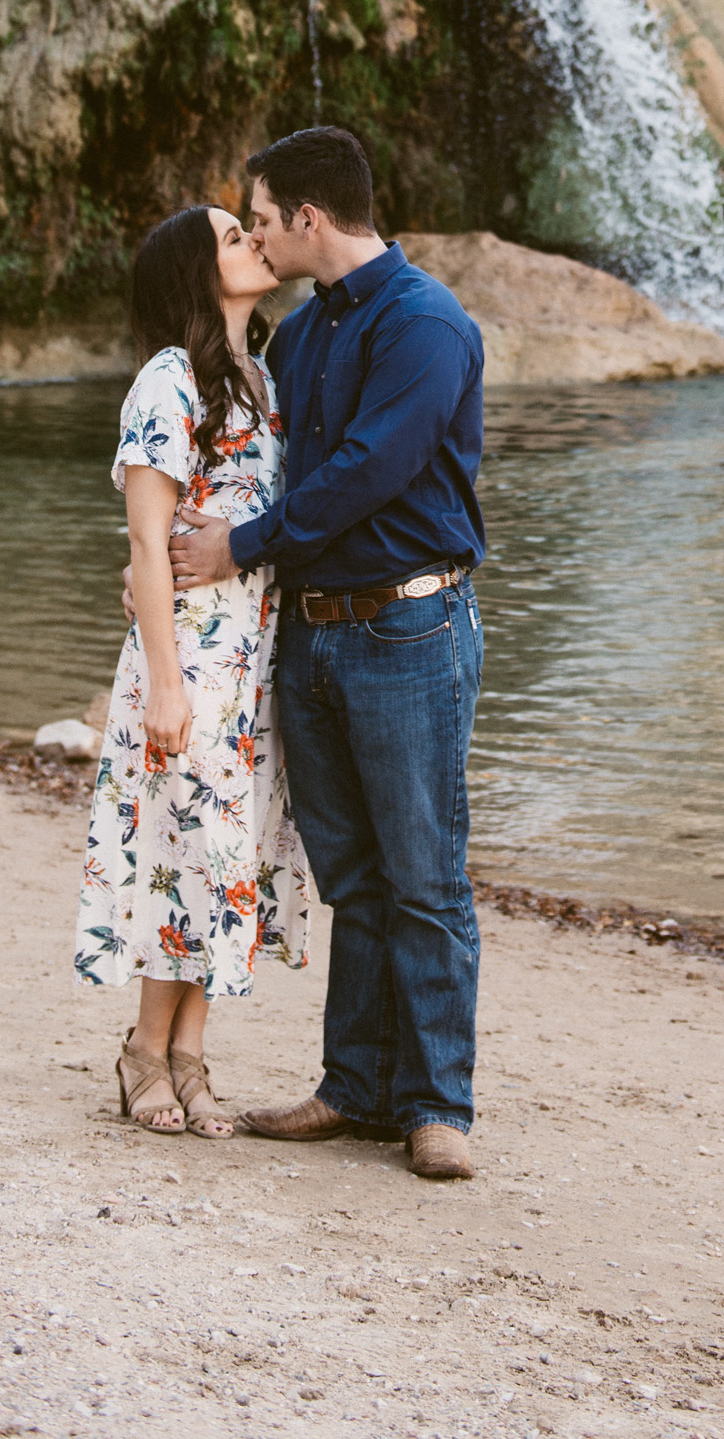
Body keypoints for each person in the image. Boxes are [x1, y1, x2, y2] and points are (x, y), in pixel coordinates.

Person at [169, 125, 487, 1183]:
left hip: (409, 624)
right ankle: (354, 1087)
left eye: (261, 215)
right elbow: (260, 453)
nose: (255, 232)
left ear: (309, 216)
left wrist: (237, 547)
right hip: (311, 631)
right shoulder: (302, 336)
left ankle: (438, 1104)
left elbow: (366, 471)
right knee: (356, 873)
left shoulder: (425, 323)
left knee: (425, 874)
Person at [74, 205, 309, 1136]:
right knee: (183, 851)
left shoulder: (265, 375)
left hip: (256, 657)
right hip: (192, 655)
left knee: (231, 854)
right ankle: (146, 1052)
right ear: (194, 276)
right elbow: (143, 535)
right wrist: (165, 681)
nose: (254, 240)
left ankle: (189, 1054)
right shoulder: (167, 381)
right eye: (231, 236)